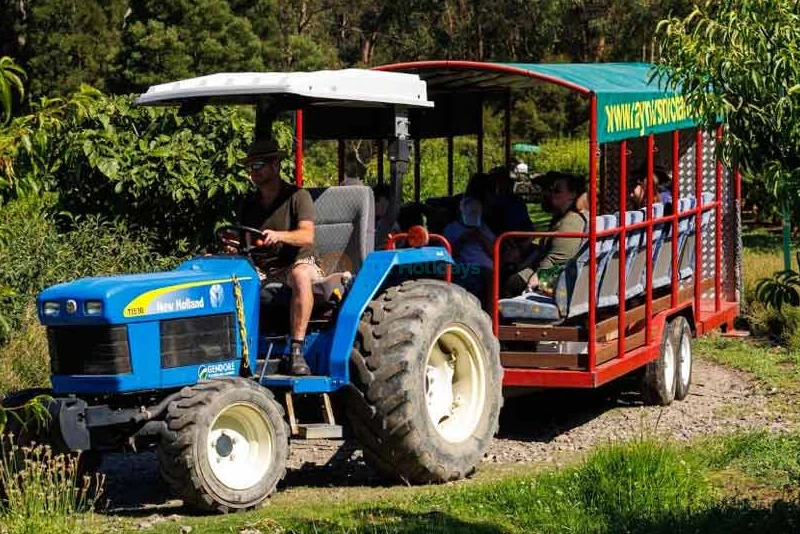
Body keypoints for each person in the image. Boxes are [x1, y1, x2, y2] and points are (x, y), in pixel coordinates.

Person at [236, 139, 321, 376]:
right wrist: (233, 244)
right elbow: (244, 241)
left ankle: (296, 351)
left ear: (275, 165)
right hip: (262, 268)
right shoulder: (248, 203)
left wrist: (280, 236)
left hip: (300, 262)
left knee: (300, 275)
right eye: (250, 166)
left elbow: (307, 236)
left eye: (259, 164)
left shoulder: (298, 196)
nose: (253, 171)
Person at [504, 172, 587, 297]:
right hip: (555, 274)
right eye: (551, 190)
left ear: (573, 194)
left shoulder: (570, 224)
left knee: (507, 283)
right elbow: (543, 250)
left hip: (556, 279)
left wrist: (532, 279)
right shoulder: (561, 218)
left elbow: (554, 261)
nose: (551, 194)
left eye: (557, 191)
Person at [442, 194, 495, 308]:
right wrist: (463, 239)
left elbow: (494, 251)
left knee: (489, 275)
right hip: (460, 265)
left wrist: (480, 237)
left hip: (483, 267)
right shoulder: (451, 229)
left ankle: (491, 311)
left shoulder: (484, 229)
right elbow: (447, 254)